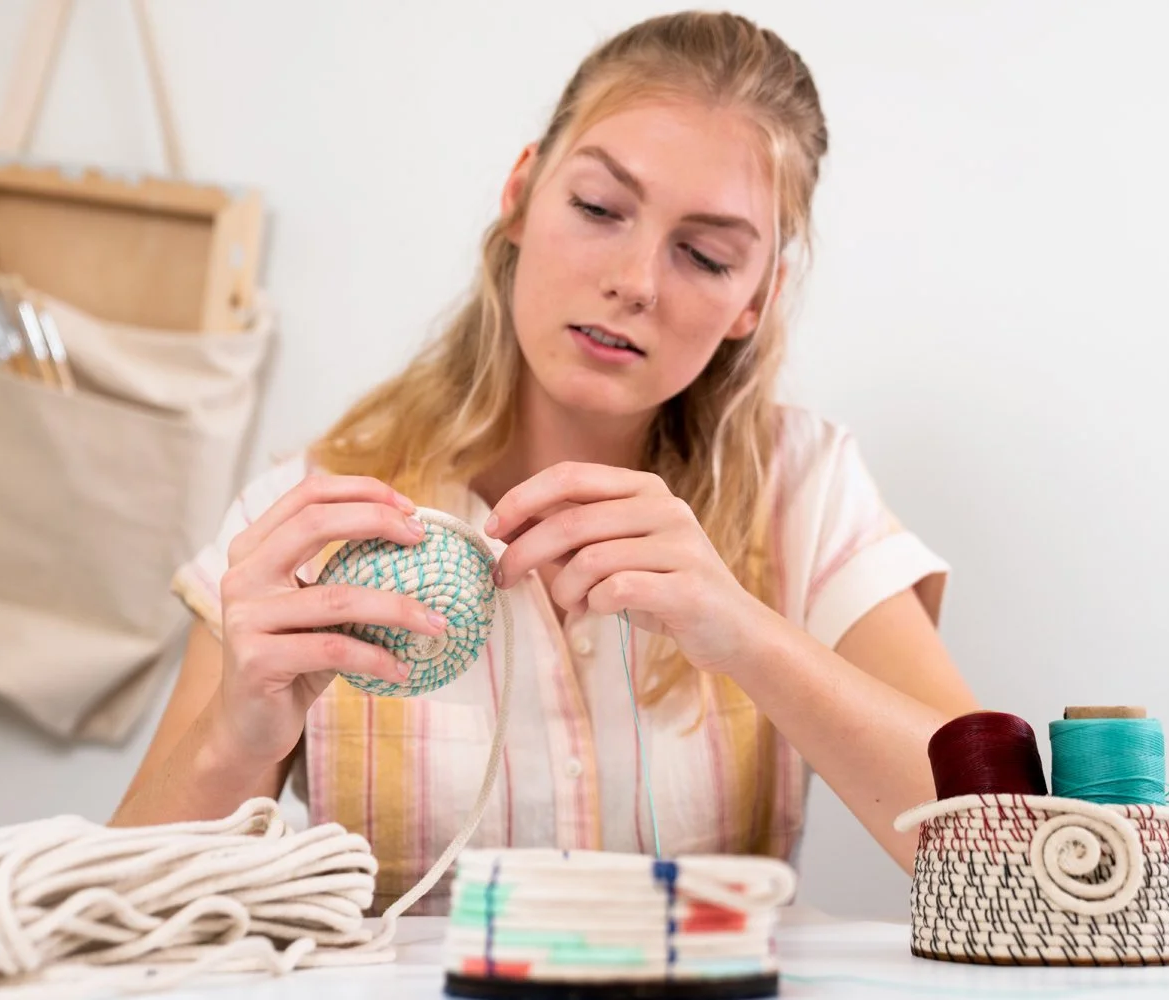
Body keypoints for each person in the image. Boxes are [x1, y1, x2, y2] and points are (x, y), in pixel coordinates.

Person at [112, 10, 978, 914]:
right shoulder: (307, 514)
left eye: (706, 255)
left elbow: (1021, 859)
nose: (637, 280)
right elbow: (102, 925)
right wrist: (232, 744)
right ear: (522, 192)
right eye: (600, 209)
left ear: (758, 297)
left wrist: (746, 634)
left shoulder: (806, 490)